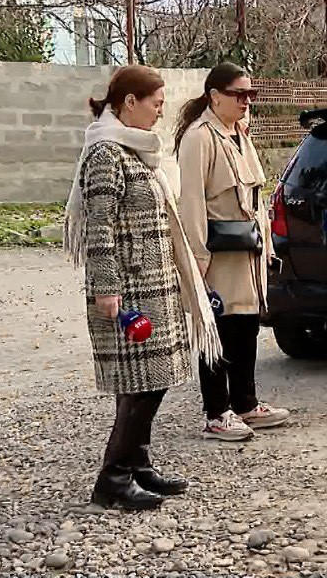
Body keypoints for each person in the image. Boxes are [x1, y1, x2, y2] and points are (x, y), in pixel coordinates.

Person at [63, 65, 223, 510]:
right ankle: (112, 479)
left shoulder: (135, 152)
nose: (160, 111)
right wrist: (106, 290)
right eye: (155, 102)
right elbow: (100, 229)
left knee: (153, 380)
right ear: (128, 102)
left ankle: (138, 465)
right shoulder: (106, 155)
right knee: (138, 385)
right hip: (128, 290)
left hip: (154, 285)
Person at [176, 63, 289, 441]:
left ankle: (244, 402)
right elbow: (190, 202)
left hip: (247, 250)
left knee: (245, 328)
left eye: (250, 95)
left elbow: (255, 199)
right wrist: (198, 259)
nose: (246, 102)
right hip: (218, 252)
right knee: (218, 331)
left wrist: (268, 245)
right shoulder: (200, 137)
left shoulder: (238, 133)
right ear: (215, 96)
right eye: (239, 94)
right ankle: (216, 412)